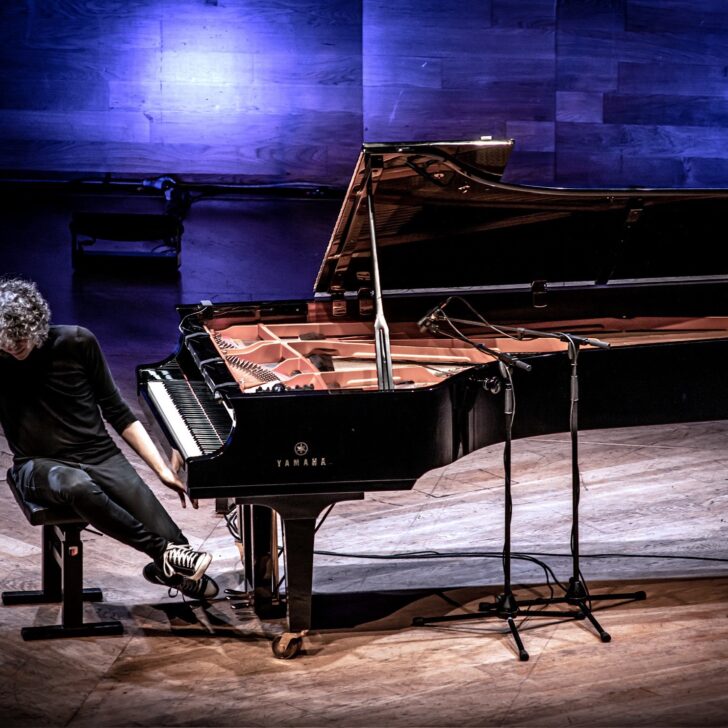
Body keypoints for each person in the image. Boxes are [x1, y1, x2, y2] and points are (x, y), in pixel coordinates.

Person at [0, 276, 218, 600]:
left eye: (22, 338)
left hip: (100, 455)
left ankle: (167, 561)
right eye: (6, 341)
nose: (14, 346)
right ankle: (163, 553)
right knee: (77, 485)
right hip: (37, 466)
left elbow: (118, 411)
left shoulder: (78, 342)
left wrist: (161, 470)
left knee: (180, 545)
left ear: (38, 324)